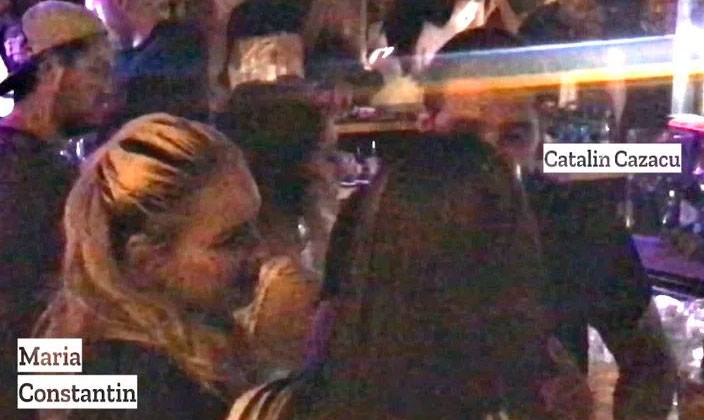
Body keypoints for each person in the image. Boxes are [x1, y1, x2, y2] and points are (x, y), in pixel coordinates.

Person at [35, 113, 263, 420]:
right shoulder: (164, 387)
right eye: (231, 240)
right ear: (146, 262)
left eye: (255, 225)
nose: (259, 251)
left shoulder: (57, 339)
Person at [0, 2, 114, 418]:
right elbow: (27, 311)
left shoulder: (31, 162)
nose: (108, 88)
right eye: (97, 70)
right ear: (50, 71)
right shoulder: (33, 175)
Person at [217, 80, 342, 381]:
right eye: (328, 156)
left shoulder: (223, 257)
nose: (337, 170)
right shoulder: (287, 288)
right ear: (303, 170)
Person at [88, 0, 209, 126]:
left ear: (122, 3)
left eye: (93, 5)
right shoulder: (119, 56)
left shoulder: (179, 46)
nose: (90, 11)